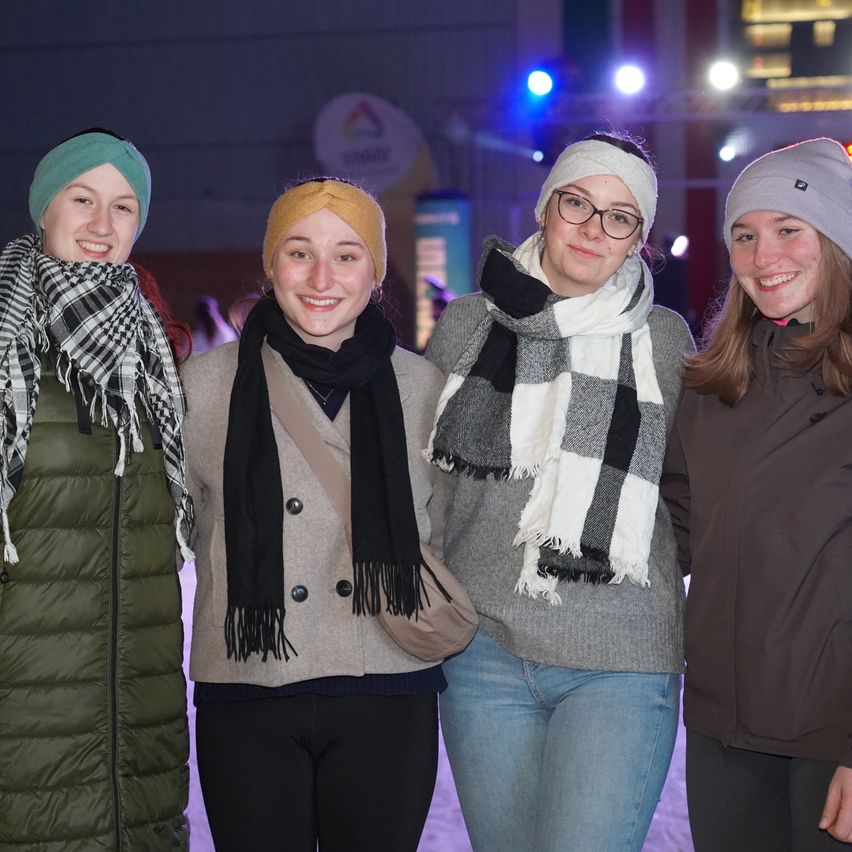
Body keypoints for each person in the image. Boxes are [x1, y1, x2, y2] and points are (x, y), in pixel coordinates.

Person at [424, 132, 694, 851]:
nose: (592, 228)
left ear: (639, 239)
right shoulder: (467, 326)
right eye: (577, 203)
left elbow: (694, 492)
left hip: (620, 660)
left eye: (619, 215)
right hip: (482, 656)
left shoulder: (667, 342)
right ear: (546, 208)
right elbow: (430, 486)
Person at [182, 178, 449, 851]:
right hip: (249, 685)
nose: (322, 277)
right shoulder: (203, 386)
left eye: (348, 255)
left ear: (376, 274)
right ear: (271, 266)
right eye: (299, 252)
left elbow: (449, 528)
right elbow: (167, 528)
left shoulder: (423, 389)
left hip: (386, 686)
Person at [0, 129, 194, 849]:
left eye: (122, 208)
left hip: (138, 720)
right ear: (44, 209)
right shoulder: (4, 343)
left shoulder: (154, 355)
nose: (101, 225)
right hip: (26, 722)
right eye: (82, 199)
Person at [662, 137, 852, 850]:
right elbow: (676, 529)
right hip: (724, 726)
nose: (762, 255)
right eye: (744, 234)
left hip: (829, 729)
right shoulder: (715, 385)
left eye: (788, 229)